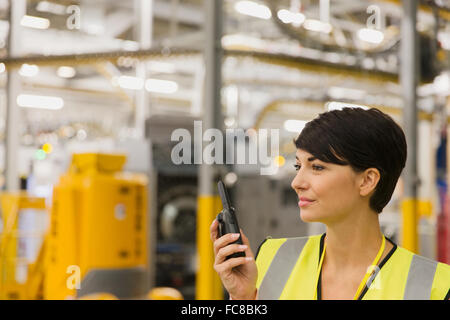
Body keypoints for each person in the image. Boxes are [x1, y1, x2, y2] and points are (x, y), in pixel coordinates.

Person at [210, 107, 450, 300]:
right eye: (298, 166)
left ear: (367, 180)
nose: (297, 182)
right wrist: (242, 297)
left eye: (317, 167)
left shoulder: (435, 287)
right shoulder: (271, 260)